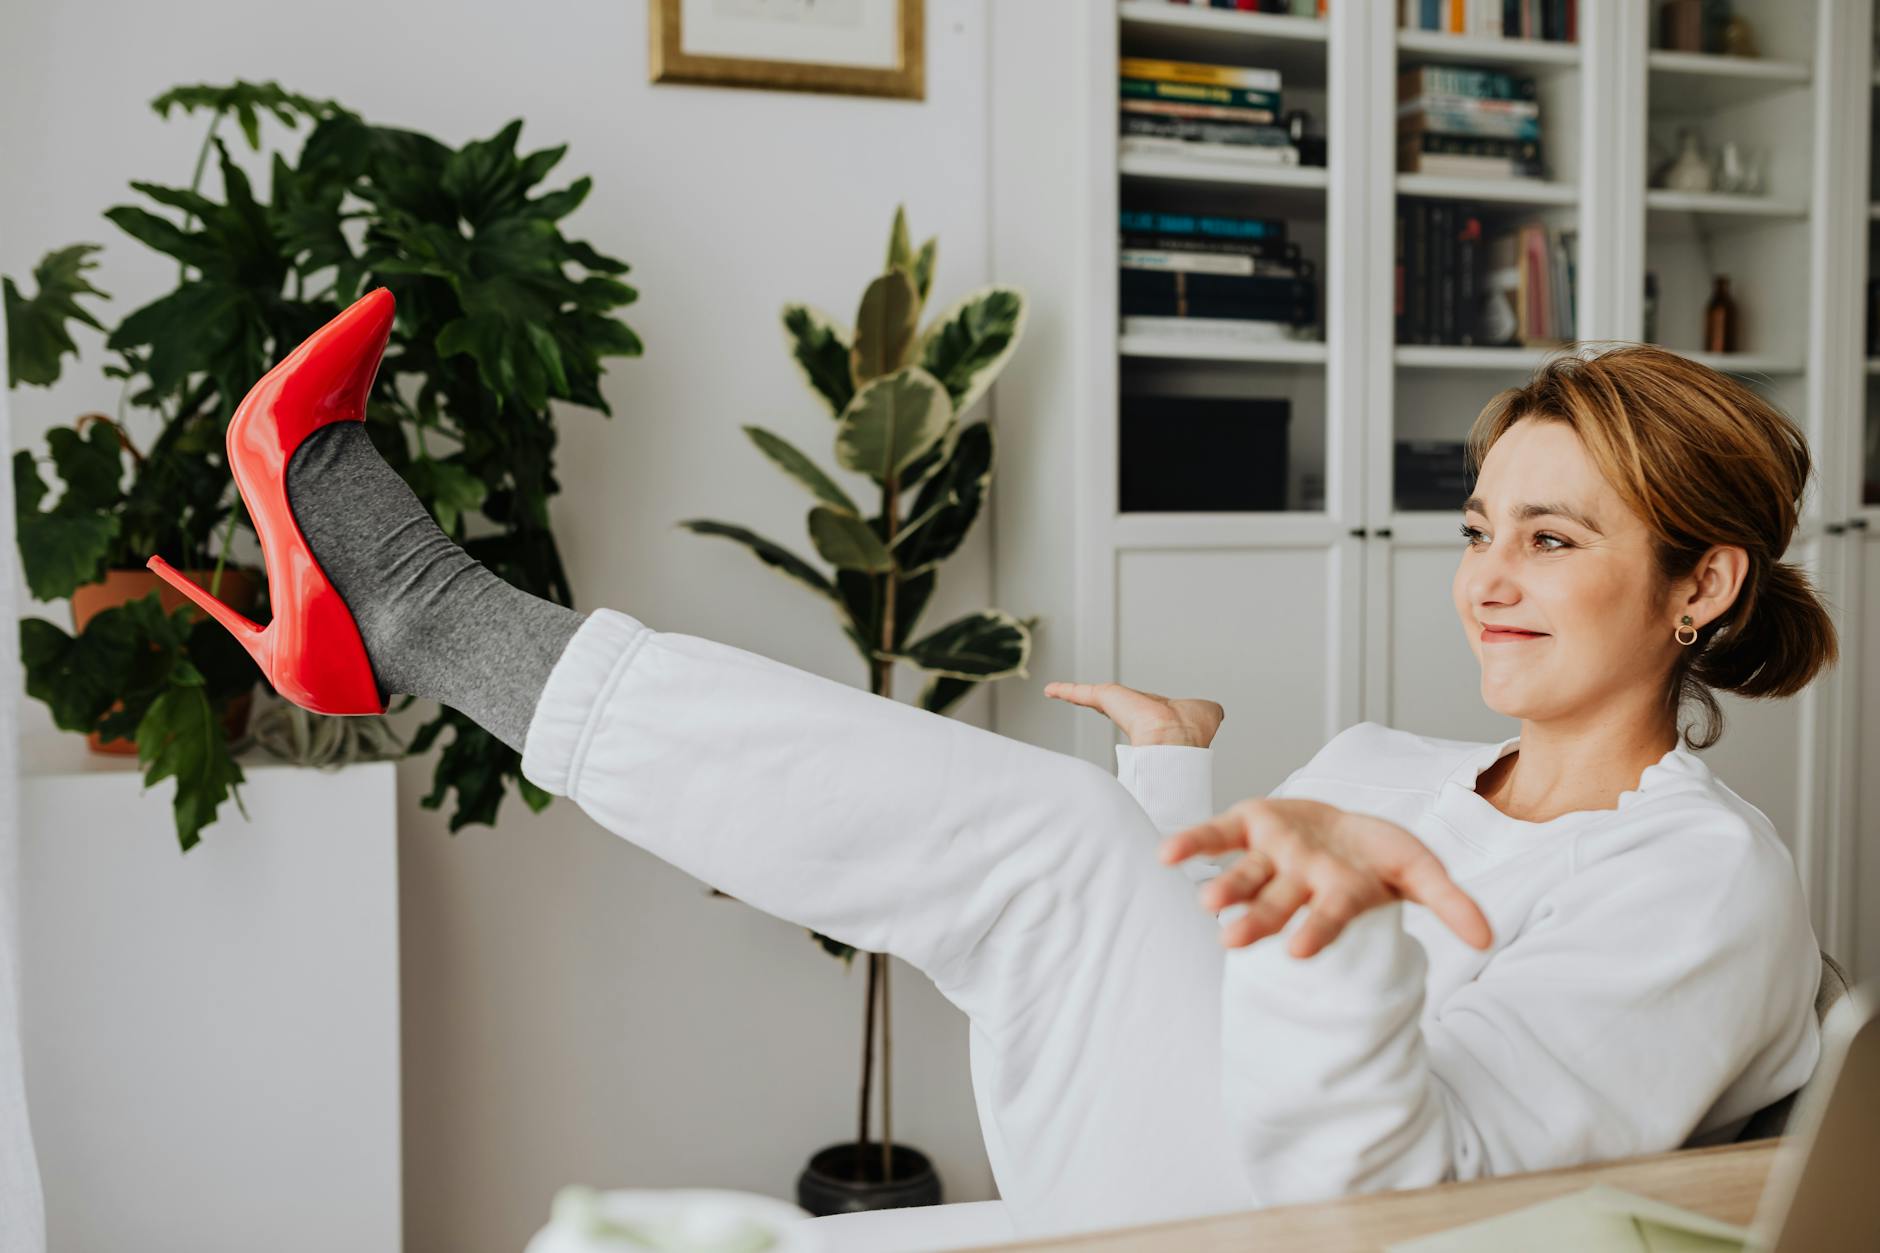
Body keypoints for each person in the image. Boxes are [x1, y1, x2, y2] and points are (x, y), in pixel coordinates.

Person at [149, 291, 1835, 1245]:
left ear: (1703, 583)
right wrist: (1191, 800)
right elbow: (1206, 980)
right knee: (1089, 830)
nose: (1486, 578)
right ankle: (423, 622)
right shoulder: (1389, 764)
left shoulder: (1698, 878)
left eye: (1553, 539)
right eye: (1481, 531)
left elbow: (1416, 1199)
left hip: (1326, 1227)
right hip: (1194, 1149)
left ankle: (426, 620)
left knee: (1053, 841)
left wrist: (1333, 922)